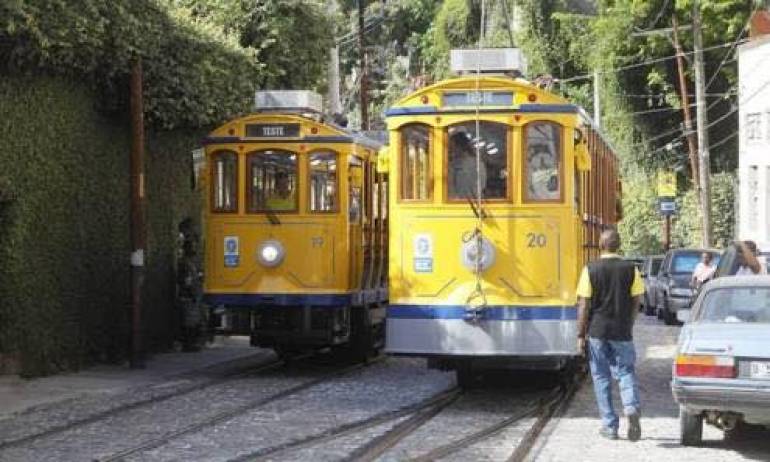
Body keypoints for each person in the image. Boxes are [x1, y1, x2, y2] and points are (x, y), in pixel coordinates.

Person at [576, 228, 644, 442]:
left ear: (600, 244)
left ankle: (609, 426)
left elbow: (584, 305)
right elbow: (636, 301)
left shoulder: (590, 269)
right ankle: (631, 407)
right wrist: (629, 323)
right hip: (622, 331)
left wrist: (580, 334)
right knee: (625, 371)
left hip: (597, 331)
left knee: (601, 377)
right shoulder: (631, 269)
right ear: (619, 245)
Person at [449, 131, 486, 199]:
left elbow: (480, 185)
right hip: (454, 204)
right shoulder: (451, 165)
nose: (451, 150)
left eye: (453, 147)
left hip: (472, 202)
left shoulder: (477, 164)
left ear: (460, 146)